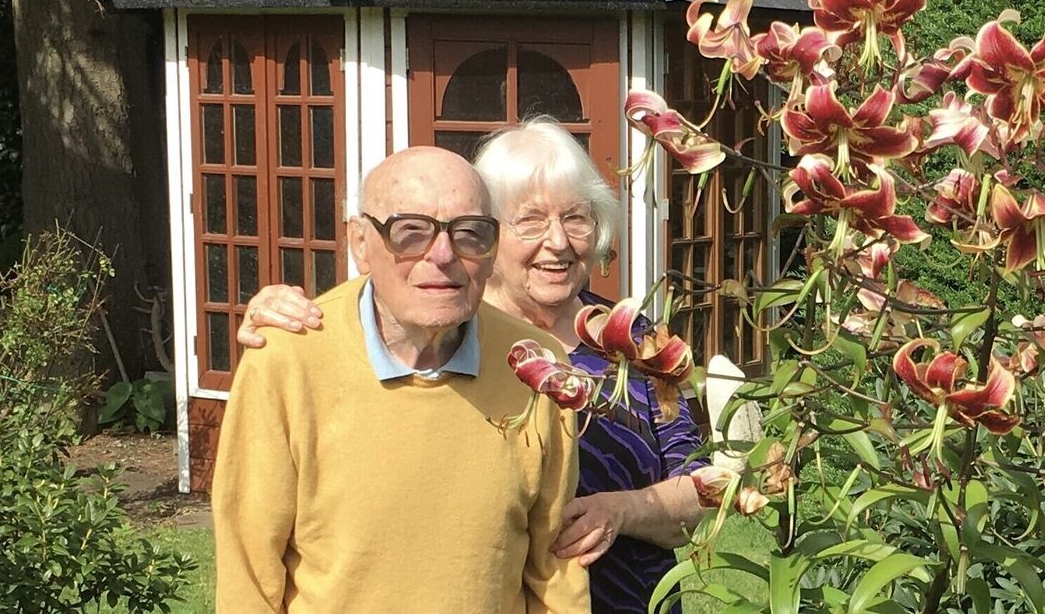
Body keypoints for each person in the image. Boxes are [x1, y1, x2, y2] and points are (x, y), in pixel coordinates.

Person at [237, 119, 708, 614]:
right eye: (530, 220)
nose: (559, 242)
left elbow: (704, 487)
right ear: (487, 235)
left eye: (576, 218)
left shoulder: (637, 340)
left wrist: (623, 510)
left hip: (630, 599)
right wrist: (275, 312)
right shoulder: (444, 333)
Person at [212, 145, 591, 613]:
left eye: (469, 233)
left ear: (491, 251)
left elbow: (554, 569)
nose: (443, 254)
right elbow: (247, 570)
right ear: (360, 243)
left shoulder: (534, 364)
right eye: (410, 232)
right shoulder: (288, 359)